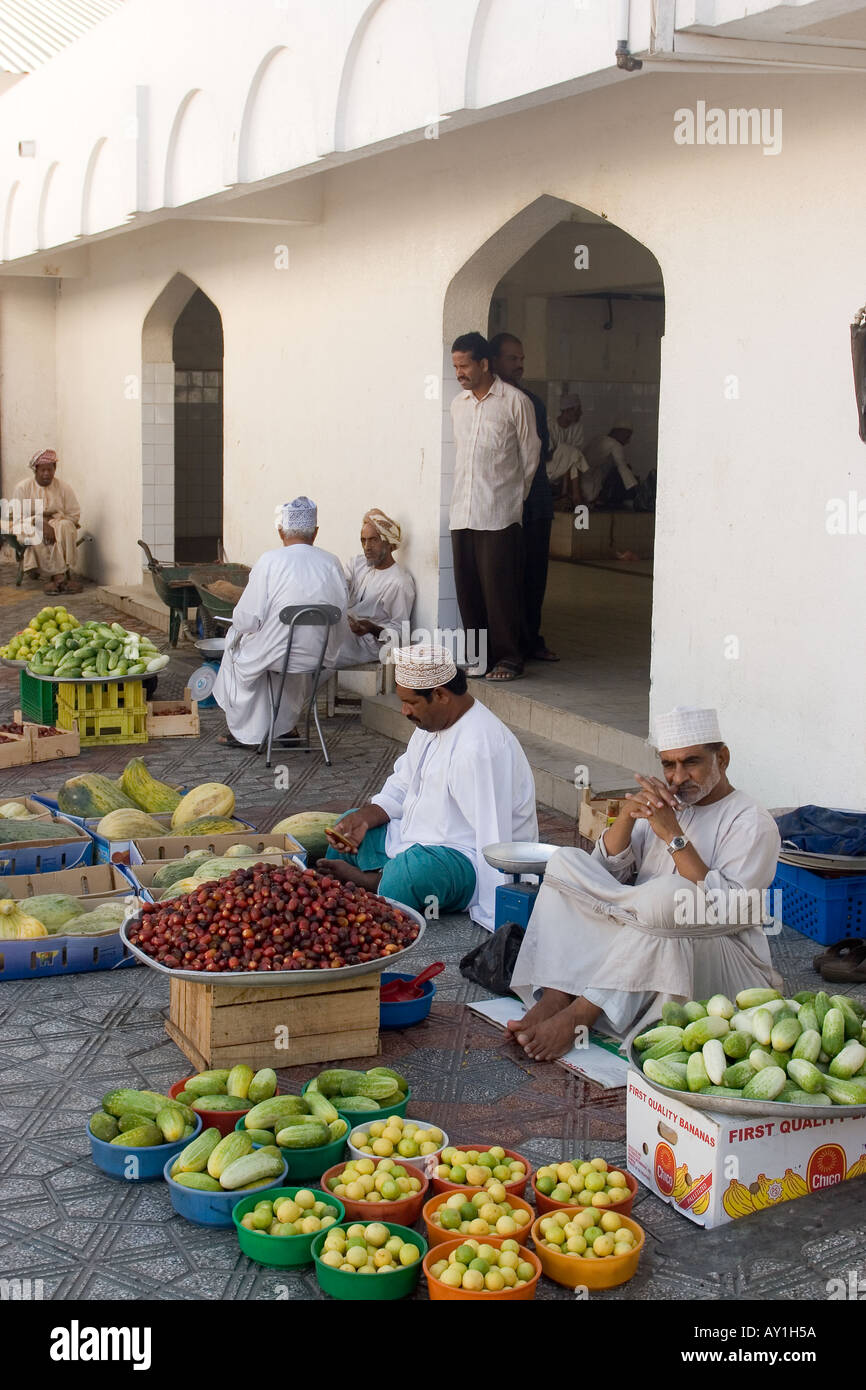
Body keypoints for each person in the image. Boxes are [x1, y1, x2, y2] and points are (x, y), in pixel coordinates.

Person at [507, 706, 782, 1061]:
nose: (679, 777)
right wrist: (626, 816)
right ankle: (559, 993)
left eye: (691, 762)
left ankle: (581, 1013)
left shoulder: (751, 822)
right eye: (669, 765)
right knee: (565, 863)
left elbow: (724, 909)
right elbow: (606, 874)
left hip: (723, 956)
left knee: (668, 898)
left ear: (723, 758)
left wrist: (672, 834)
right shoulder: (668, 802)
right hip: (645, 927)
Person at [318, 644, 538, 929]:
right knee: (345, 828)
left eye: (411, 702)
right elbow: (402, 784)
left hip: (464, 859)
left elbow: (494, 838)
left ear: (440, 695)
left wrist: (501, 908)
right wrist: (363, 818)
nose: (404, 711)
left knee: (412, 874)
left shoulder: (479, 747)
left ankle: (370, 883)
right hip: (414, 838)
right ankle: (359, 882)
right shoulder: (431, 725)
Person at [213, 497, 348, 748]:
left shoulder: (270, 561)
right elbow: (341, 617)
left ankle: (247, 733)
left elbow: (247, 619)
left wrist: (246, 629)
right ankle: (285, 728)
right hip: (318, 658)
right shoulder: (331, 562)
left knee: (236, 643)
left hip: (276, 655)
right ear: (315, 532)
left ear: (280, 531)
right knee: (288, 656)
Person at [449, 332, 540, 682]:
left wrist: (513, 500)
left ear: (484, 364)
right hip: (463, 510)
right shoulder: (459, 405)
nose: (459, 373)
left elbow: (530, 457)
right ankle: (477, 657)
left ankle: (508, 658)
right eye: (455, 366)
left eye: (464, 365)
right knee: (468, 588)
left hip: (499, 512)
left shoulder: (516, 401)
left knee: (500, 590)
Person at [488, 333, 558, 664]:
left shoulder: (530, 401)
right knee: (504, 577)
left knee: (533, 577)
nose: (519, 365)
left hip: (536, 503)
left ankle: (532, 640)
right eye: (512, 358)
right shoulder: (484, 401)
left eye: (521, 359)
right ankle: (508, 643)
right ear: (494, 361)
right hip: (501, 504)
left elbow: (538, 452)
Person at [332, 509, 416, 666]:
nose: (367, 547)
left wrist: (371, 628)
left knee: (319, 650)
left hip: (369, 645)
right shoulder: (358, 563)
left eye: (373, 540)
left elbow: (400, 635)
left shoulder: (399, 582)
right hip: (346, 631)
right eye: (363, 540)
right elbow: (340, 585)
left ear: (388, 543)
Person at [10, 449, 83, 594]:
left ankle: (56, 578)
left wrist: (54, 524)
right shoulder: (22, 488)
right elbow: (17, 519)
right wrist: (39, 522)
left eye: (50, 470)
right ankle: (56, 578)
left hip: (56, 521)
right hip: (28, 524)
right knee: (36, 533)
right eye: (42, 470)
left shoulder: (64, 488)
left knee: (65, 527)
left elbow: (74, 515)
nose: (46, 474)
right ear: (35, 471)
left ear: (54, 470)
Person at [573, 422, 638, 509]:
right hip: (589, 488)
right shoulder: (615, 444)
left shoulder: (598, 439)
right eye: (627, 437)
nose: (628, 441)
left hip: (581, 483)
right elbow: (623, 468)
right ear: (619, 433)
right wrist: (635, 489)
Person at [548, 394, 586, 509]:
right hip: (548, 469)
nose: (581, 413)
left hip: (567, 470)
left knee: (574, 455)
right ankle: (575, 496)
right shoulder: (549, 425)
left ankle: (571, 495)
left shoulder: (578, 427)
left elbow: (574, 458)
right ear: (568, 410)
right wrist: (563, 452)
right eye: (578, 410)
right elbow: (548, 454)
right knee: (568, 450)